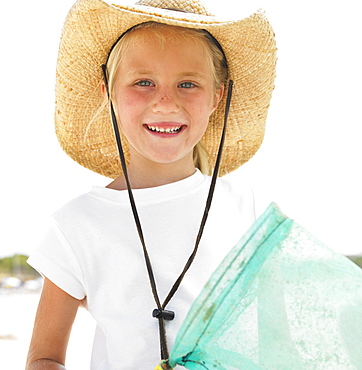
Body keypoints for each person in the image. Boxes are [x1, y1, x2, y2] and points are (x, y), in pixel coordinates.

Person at [26, 0, 276, 369]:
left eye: (188, 84)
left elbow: (277, 340)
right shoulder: (77, 224)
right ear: (108, 93)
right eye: (143, 82)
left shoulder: (248, 208)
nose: (165, 101)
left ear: (217, 97)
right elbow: (44, 357)